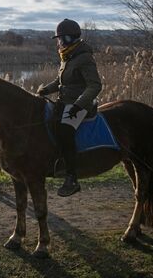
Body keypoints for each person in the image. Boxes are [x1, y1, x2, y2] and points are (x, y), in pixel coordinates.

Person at [37, 19, 102, 197]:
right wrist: (46, 90)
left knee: (65, 130)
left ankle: (72, 178)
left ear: (67, 38)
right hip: (65, 102)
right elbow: (61, 82)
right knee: (47, 122)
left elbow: (95, 86)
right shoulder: (68, 56)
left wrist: (78, 105)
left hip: (80, 105)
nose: (58, 42)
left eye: (59, 38)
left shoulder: (84, 58)